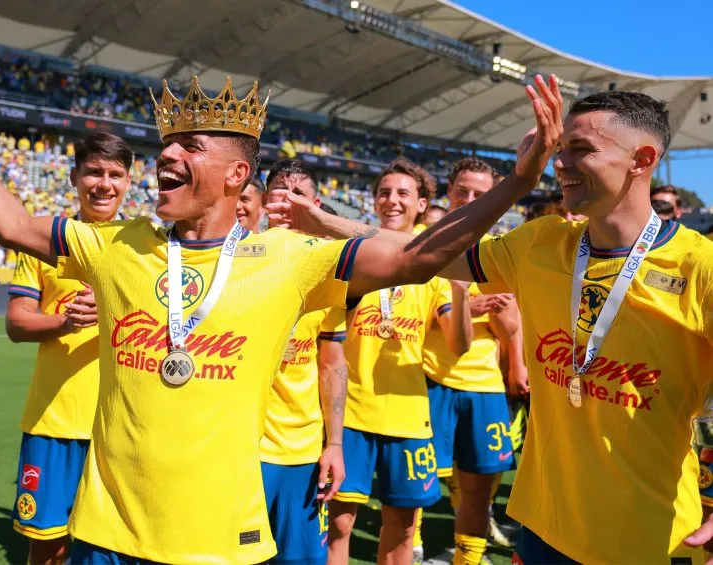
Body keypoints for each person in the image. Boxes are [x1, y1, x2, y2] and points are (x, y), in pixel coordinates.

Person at [0, 66, 562, 563]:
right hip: (105, 535)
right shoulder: (117, 245)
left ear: (236, 173)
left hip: (224, 538)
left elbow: (418, 257)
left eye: (189, 145)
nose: (167, 155)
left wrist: (517, 184)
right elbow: (16, 225)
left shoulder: (290, 257)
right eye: (166, 144)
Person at [279, 87, 713, 564]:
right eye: (560, 148)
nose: (561, 163)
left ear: (642, 159)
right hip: (545, 525)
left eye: (582, 149)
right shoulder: (540, 243)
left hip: (651, 537)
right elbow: (419, 251)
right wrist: (325, 223)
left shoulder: (699, 268)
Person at [324, 157, 473, 565]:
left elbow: (459, 346)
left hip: (408, 416)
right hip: (349, 414)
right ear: (373, 202)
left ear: (422, 205)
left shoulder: (436, 267)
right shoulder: (347, 256)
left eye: (403, 193)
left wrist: (460, 292)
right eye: (384, 192)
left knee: (404, 528)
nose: (392, 200)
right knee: (338, 525)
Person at [5, 132, 131, 564]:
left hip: (120, 426)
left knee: (110, 548)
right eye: (94, 171)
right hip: (54, 420)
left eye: (115, 174)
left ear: (129, 182)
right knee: (48, 546)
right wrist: (65, 321)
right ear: (75, 177)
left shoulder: (144, 246)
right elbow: (17, 322)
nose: (104, 183)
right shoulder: (44, 241)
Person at [421, 158, 528, 563]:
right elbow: (412, 310)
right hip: (431, 374)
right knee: (423, 482)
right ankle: (412, 546)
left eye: (479, 194)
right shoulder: (424, 240)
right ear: (449, 190)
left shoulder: (501, 249)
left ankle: (468, 557)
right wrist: (466, 305)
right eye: (462, 191)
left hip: (483, 382)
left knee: (481, 482)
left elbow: (511, 319)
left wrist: (515, 363)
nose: (468, 199)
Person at [260, 159, 348, 564]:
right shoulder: (235, 260)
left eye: (299, 195)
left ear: (314, 204)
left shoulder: (329, 272)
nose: (288, 202)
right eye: (280, 192)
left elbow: (331, 364)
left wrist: (334, 444)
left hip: (301, 451)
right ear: (264, 201)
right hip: (239, 449)